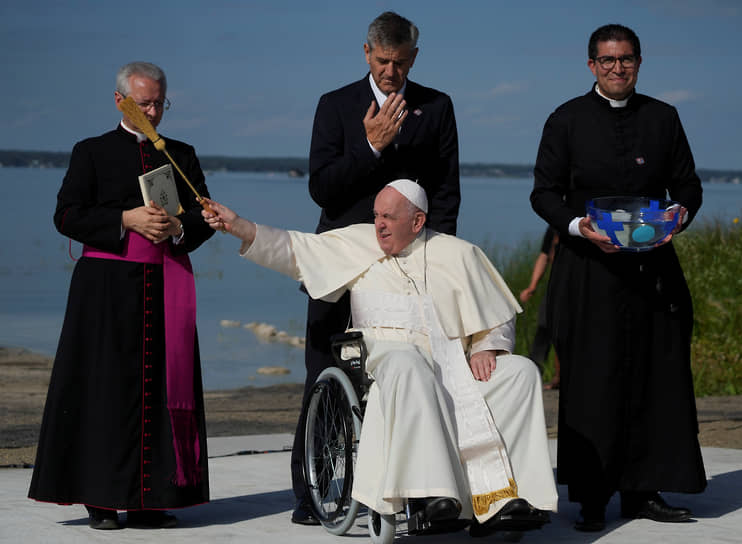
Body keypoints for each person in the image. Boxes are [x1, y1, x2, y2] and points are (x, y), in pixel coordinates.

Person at [202, 180, 557, 534]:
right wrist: (239, 226)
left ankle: (511, 499)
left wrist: (486, 347)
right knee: (409, 364)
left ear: (417, 222)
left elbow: (498, 315)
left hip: (452, 364)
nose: (379, 225)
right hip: (386, 362)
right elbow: (293, 250)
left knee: (521, 372)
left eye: (388, 216)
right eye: (376, 216)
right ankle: (429, 494)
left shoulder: (458, 253)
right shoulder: (356, 242)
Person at [530, 24, 706, 532]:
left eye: (626, 59)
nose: (617, 68)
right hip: (589, 270)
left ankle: (644, 491)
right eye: (607, 60)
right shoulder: (565, 120)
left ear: (639, 62)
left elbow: (688, 186)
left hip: (653, 269)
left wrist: (679, 217)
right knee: (592, 381)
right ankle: (590, 497)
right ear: (591, 65)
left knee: (656, 377)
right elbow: (543, 194)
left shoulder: (664, 118)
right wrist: (577, 227)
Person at [28, 61, 213, 530]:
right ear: (120, 101)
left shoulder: (182, 154)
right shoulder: (90, 152)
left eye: (159, 102)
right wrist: (126, 220)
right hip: (106, 293)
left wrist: (178, 226)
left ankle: (152, 501)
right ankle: (103, 501)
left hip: (165, 286)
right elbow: (67, 216)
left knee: (161, 390)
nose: (153, 111)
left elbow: (203, 215)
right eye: (143, 102)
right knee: (105, 393)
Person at [295, 10, 460, 524]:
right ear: (366, 53)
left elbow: (447, 192)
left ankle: (411, 487)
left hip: (409, 263)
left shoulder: (436, 107)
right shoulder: (336, 105)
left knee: (409, 370)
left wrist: (438, 258)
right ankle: (312, 491)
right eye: (384, 61)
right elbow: (322, 189)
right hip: (340, 260)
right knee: (323, 367)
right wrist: (370, 147)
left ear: (415, 57)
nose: (392, 72)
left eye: (402, 62)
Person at [518, 226, 560, 389]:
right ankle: (534, 374)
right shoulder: (554, 227)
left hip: (578, 285)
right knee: (544, 326)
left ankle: (560, 377)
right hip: (555, 284)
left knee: (563, 332)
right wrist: (532, 286)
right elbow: (544, 256)